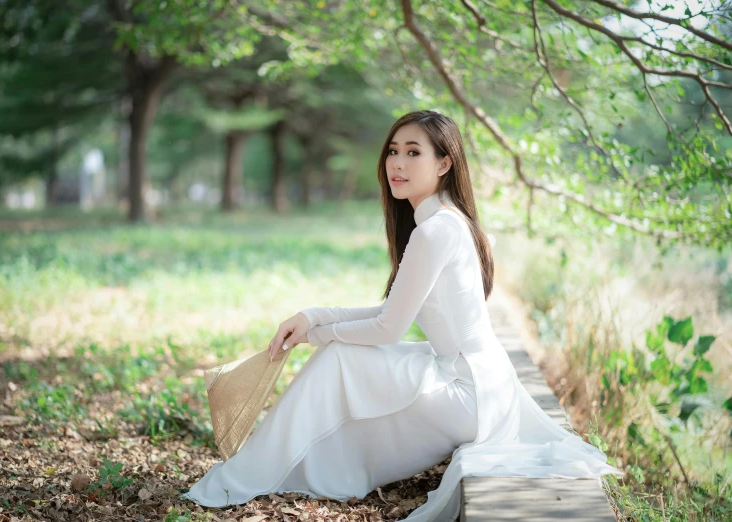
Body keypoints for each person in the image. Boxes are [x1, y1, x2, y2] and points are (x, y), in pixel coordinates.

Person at [181, 110, 623, 521]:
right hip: (474, 382)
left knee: (338, 358)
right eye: (394, 151)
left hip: (466, 394)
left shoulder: (436, 231)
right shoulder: (447, 222)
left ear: (445, 163)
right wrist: (312, 317)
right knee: (342, 358)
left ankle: (255, 472)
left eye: (414, 153)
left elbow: (388, 328)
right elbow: (393, 310)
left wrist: (315, 336)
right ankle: (282, 467)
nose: (398, 163)